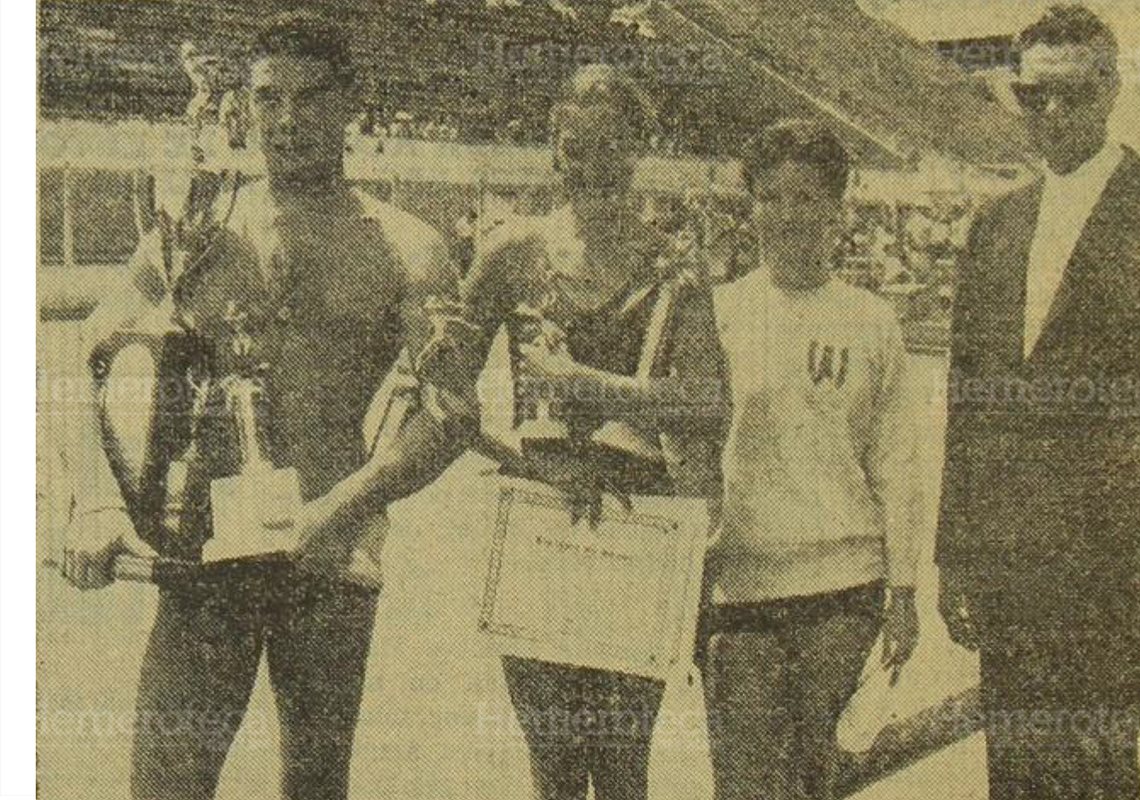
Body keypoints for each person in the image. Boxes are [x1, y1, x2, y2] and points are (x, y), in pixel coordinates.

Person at [59, 13, 475, 800]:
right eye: (268, 97)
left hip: (329, 556)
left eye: (311, 98)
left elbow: (452, 414)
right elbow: (97, 358)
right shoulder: (199, 229)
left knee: (315, 789)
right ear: (244, 107)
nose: (286, 120)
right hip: (203, 550)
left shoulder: (406, 245)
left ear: (351, 103)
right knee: (166, 786)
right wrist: (92, 502)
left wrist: (341, 509)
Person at [460, 63, 729, 800]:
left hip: (638, 524)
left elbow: (708, 406)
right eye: (578, 147)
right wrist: (523, 463)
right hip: (540, 522)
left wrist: (588, 386)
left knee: (620, 772)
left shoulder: (675, 268)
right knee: (551, 770)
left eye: (612, 147)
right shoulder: (511, 255)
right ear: (556, 149)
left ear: (636, 151)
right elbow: (441, 397)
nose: (594, 165)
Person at [935, 6, 1140, 799]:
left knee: (1097, 774)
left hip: (1108, 570)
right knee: (1017, 775)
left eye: (1072, 94)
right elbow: (967, 405)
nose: (1053, 114)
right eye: (1036, 97)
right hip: (1008, 566)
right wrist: (952, 554)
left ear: (1109, 92)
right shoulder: (995, 226)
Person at [699, 120, 922, 800]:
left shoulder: (870, 320)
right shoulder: (717, 313)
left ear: (836, 207)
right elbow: (688, 451)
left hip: (842, 587)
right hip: (740, 585)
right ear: (751, 207)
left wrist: (904, 589)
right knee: (742, 785)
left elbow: (897, 461)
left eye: (805, 197)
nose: (788, 214)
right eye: (771, 197)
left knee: (810, 783)